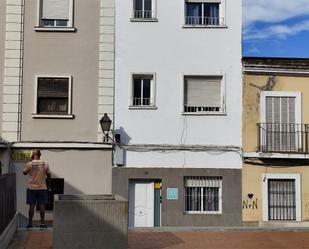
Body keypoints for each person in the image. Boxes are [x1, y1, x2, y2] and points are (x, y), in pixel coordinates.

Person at [23, 149, 51, 229]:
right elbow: (49, 176)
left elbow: (24, 173)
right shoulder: (45, 163)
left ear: (33, 155)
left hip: (31, 188)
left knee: (32, 206)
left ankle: (30, 224)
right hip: (42, 188)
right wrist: (48, 187)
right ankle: (42, 224)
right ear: (40, 155)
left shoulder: (30, 164)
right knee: (42, 205)